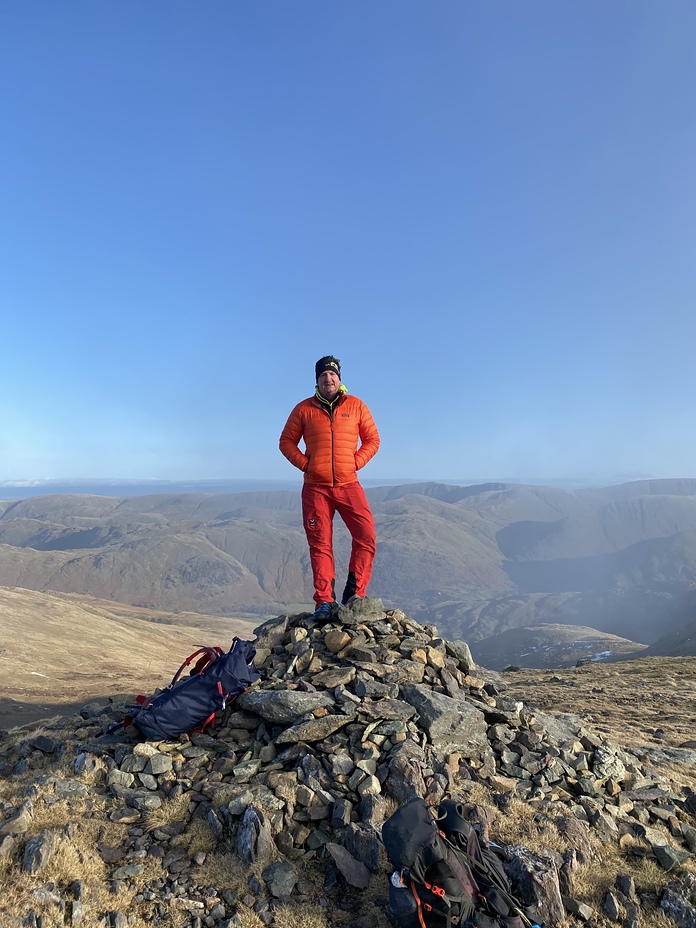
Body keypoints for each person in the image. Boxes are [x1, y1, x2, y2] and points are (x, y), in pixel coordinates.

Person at [279, 355, 380, 619]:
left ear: (339, 377)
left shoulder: (356, 406)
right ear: (317, 380)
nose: (328, 379)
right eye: (323, 375)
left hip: (349, 484)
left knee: (366, 535)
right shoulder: (304, 409)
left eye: (332, 374)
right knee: (320, 544)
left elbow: (372, 439)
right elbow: (286, 442)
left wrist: (355, 462)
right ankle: (324, 600)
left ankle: (355, 593)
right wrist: (306, 465)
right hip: (316, 488)